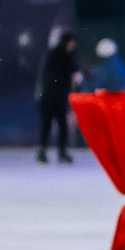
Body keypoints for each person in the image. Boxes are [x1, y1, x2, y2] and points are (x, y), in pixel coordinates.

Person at [35, 28, 79, 164]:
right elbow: (72, 75)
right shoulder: (64, 56)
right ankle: (59, 153)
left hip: (49, 96)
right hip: (56, 96)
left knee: (48, 125)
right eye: (72, 42)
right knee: (60, 125)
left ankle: (44, 152)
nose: (74, 45)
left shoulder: (53, 54)